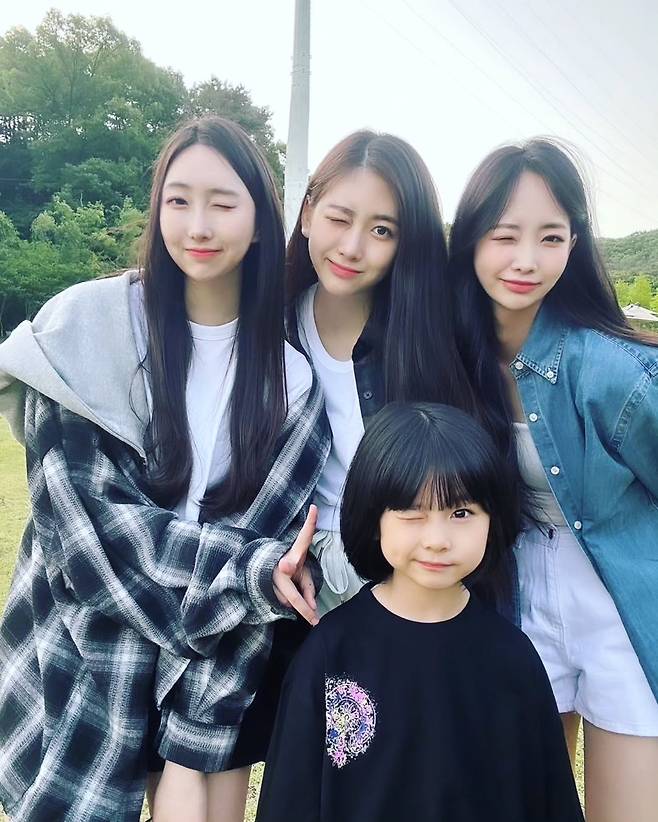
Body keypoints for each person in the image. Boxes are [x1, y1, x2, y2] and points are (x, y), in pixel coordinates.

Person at [0, 116, 329, 822]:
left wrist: (188, 740)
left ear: (261, 223)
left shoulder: (289, 379)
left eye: (223, 202)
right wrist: (240, 578)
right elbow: (82, 529)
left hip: (218, 660)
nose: (198, 225)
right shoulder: (85, 328)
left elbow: (268, 546)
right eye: (178, 200)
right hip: (89, 639)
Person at [448, 137, 658, 821]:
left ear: (575, 243)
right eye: (504, 235)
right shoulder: (451, 357)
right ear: (471, 238)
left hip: (621, 598)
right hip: (514, 594)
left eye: (550, 237)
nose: (526, 260)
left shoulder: (612, 371)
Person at [256, 403, 584, 822]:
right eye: (413, 513)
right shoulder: (330, 653)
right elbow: (289, 802)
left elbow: (550, 802)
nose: (437, 539)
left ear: (493, 518)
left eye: (461, 513)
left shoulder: (512, 658)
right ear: (373, 515)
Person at [286, 130, 487, 617]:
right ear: (308, 214)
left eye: (382, 231)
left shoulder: (429, 335)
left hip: (407, 570)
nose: (352, 247)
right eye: (339, 219)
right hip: (297, 573)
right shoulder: (272, 326)